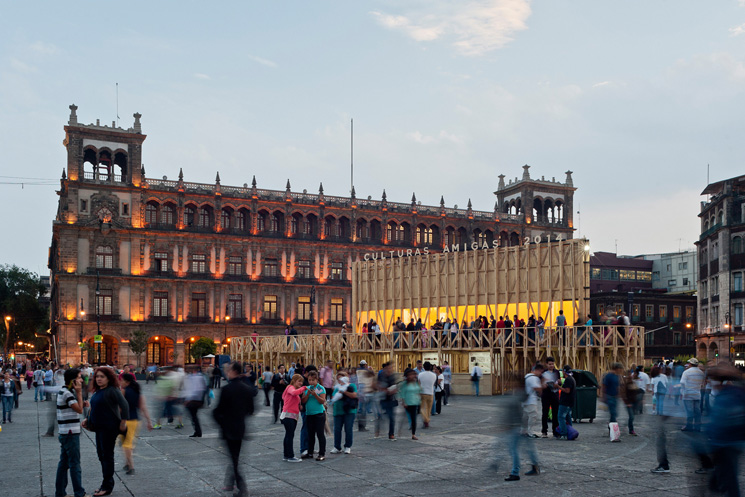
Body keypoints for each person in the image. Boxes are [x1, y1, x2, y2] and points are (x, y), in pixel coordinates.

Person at [82, 367, 129, 497]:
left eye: (102, 377)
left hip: (109, 428)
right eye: (97, 377)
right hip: (99, 428)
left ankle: (107, 486)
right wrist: (87, 419)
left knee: (107, 456)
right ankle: (105, 483)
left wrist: (123, 422)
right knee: (101, 456)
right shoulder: (97, 391)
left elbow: (124, 405)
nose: (99, 379)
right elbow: (95, 408)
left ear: (108, 378)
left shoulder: (112, 390)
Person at [213, 362, 254, 497]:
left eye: (229, 370)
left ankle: (242, 488)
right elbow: (251, 410)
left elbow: (217, 411)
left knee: (234, 458)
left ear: (234, 372)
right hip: (240, 428)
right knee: (234, 457)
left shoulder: (227, 390)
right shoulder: (246, 388)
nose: (227, 372)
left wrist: (222, 422)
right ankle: (231, 483)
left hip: (228, 429)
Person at [55, 368, 89, 497]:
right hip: (70, 433)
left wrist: (80, 401)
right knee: (75, 464)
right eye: (80, 377)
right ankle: (79, 493)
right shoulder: (67, 393)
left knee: (63, 464)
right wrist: (79, 393)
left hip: (65, 432)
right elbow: (79, 410)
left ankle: (60, 493)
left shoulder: (65, 392)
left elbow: (76, 407)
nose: (82, 380)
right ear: (73, 380)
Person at [504, 374, 540, 481]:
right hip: (520, 426)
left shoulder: (519, 394)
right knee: (528, 448)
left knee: (514, 449)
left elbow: (520, 412)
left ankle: (515, 472)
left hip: (517, 427)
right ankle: (535, 466)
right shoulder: (521, 394)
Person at [119, 373, 153, 475]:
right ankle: (126, 463)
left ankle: (131, 467)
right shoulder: (138, 392)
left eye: (122, 380)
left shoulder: (123, 391)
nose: (120, 382)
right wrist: (149, 422)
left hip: (125, 421)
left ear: (127, 382)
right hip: (136, 421)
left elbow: (120, 407)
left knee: (126, 444)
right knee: (128, 443)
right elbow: (143, 407)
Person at [329, 371, 358, 453]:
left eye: (341, 378)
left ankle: (348, 446)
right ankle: (337, 446)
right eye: (338, 379)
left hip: (349, 410)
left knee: (348, 429)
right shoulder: (337, 386)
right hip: (338, 411)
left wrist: (344, 392)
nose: (339, 380)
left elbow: (354, 395)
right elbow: (333, 397)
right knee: (337, 429)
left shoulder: (351, 385)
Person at [280, 374, 307, 462]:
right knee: (289, 435)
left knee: (288, 435)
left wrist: (299, 406)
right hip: (289, 415)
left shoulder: (292, 389)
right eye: (299, 381)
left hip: (291, 415)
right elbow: (294, 393)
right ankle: (290, 456)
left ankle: (286, 455)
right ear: (294, 381)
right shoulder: (290, 387)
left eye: (302, 382)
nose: (301, 383)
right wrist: (304, 388)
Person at [301, 371, 327, 461]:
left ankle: (322, 453)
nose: (311, 382)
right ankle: (310, 452)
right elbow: (303, 401)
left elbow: (322, 401)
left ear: (317, 379)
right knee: (310, 434)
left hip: (319, 414)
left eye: (313, 380)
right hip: (309, 414)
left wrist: (315, 395)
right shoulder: (307, 388)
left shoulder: (320, 388)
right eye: (309, 380)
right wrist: (308, 394)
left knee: (320, 434)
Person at [680, 357, 704, 431]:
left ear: (690, 364)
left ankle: (689, 426)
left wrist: (684, 390)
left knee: (690, 411)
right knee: (697, 411)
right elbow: (702, 383)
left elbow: (682, 382)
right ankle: (697, 427)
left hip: (688, 394)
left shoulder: (686, 372)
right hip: (697, 394)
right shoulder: (701, 372)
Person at [183, 366, 207, 438]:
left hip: (194, 400)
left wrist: (189, 399)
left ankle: (198, 431)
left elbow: (197, 389)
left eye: (189, 368)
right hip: (195, 400)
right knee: (194, 416)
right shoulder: (194, 376)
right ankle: (197, 431)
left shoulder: (197, 377)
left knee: (194, 416)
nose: (187, 370)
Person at [376, 362, 398, 440]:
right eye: (389, 368)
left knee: (392, 417)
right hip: (383, 398)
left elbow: (395, 386)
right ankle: (378, 429)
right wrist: (385, 390)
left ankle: (391, 434)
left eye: (391, 368)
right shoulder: (381, 376)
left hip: (391, 399)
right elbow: (378, 385)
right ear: (385, 368)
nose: (390, 369)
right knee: (381, 416)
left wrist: (393, 390)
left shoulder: (392, 376)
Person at [399, 368, 422, 440]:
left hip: (414, 402)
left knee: (413, 419)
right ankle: (400, 429)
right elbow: (402, 393)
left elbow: (419, 390)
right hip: (407, 403)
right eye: (410, 375)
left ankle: (413, 434)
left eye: (413, 374)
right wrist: (404, 402)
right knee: (405, 417)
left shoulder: (415, 382)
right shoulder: (405, 384)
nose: (412, 376)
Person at [523, 363, 544, 438]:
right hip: (531, 401)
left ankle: (524, 431)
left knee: (525, 416)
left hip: (525, 400)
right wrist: (543, 385)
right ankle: (530, 432)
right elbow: (537, 388)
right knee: (533, 416)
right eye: (540, 372)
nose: (541, 374)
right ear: (537, 370)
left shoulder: (526, 376)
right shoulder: (534, 378)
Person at [540, 357, 560, 438]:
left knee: (555, 413)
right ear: (546, 364)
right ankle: (544, 431)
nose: (551, 366)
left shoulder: (557, 372)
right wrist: (543, 385)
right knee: (545, 413)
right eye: (550, 364)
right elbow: (540, 384)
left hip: (555, 394)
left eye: (552, 364)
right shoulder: (543, 373)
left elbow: (559, 382)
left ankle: (555, 430)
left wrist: (559, 382)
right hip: (546, 395)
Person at [557, 365, 576, 439]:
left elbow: (567, 391)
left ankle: (563, 433)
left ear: (564, 371)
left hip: (565, 402)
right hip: (570, 402)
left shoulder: (568, 380)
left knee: (561, 417)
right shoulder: (572, 379)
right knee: (568, 417)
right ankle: (571, 432)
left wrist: (558, 387)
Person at [418, 362, 437, 427]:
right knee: (429, 409)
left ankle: (426, 420)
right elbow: (434, 383)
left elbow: (419, 383)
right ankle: (427, 419)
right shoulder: (434, 375)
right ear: (430, 367)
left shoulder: (420, 374)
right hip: (431, 393)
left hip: (422, 392)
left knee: (422, 408)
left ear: (424, 367)